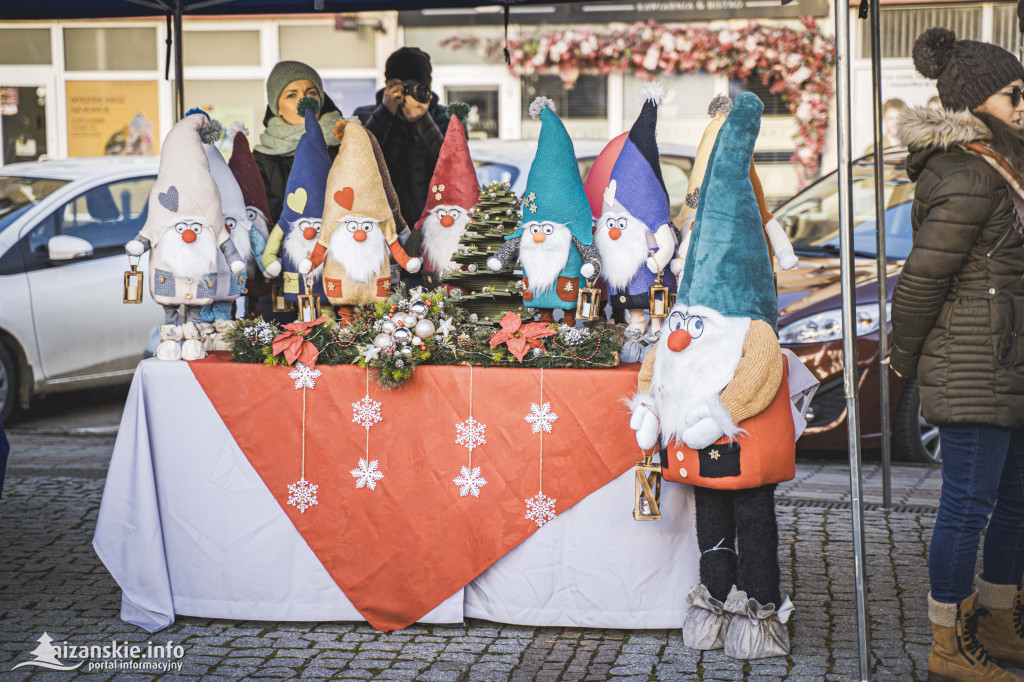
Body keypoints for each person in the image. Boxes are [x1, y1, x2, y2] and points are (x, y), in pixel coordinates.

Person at [891, 27, 1024, 682]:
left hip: (1008, 362)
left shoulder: (1005, 163)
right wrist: (904, 356)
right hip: (973, 361)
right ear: (977, 102)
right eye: (1012, 94)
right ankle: (950, 642)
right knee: (968, 505)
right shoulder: (969, 171)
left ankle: (1000, 620)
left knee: (1017, 497)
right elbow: (922, 278)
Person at [354, 47, 450, 238]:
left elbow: (452, 165)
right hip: (379, 227)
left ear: (426, 87)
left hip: (435, 226)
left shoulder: (446, 117)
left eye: (414, 86)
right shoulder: (365, 116)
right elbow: (358, 161)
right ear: (388, 86)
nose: (407, 94)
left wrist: (422, 120)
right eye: (401, 87)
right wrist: (385, 112)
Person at [253, 61, 343, 228]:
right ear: (277, 108)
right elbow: (257, 210)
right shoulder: (261, 158)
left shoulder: (343, 146)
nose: (304, 100)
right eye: (291, 95)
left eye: (311, 93)